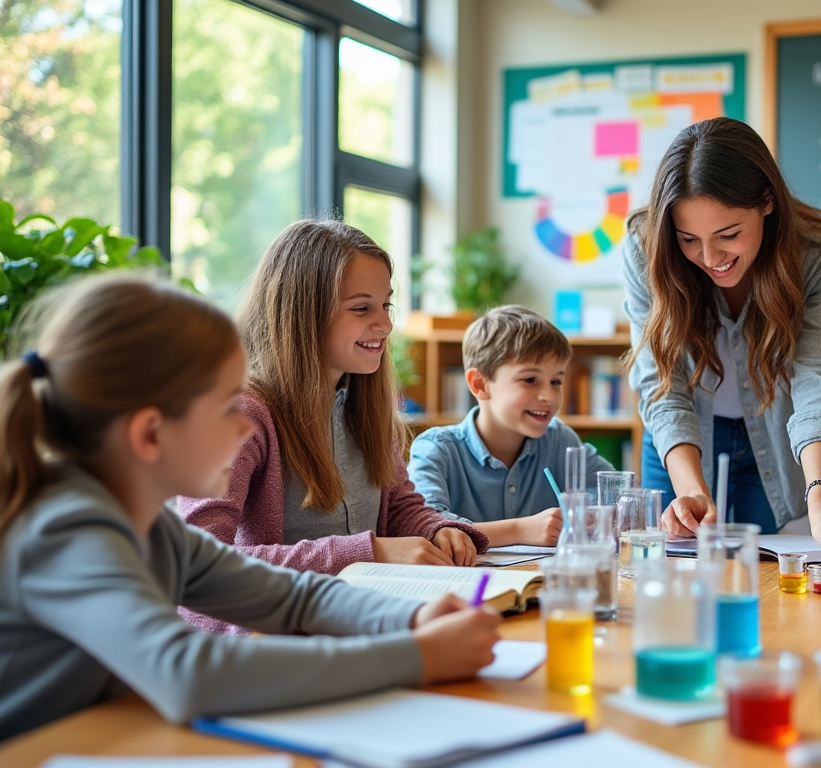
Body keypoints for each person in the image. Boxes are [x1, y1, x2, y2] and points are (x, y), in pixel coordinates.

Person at [0, 274, 501, 741]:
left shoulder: (153, 528)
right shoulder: (65, 530)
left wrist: (411, 619)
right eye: (225, 408)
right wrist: (417, 656)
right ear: (150, 433)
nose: (244, 427)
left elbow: (295, 599)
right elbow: (187, 674)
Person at [180, 220, 487, 633]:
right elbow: (196, 564)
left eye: (386, 305)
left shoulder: (362, 400)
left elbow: (398, 507)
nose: (386, 325)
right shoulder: (239, 415)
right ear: (303, 314)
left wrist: (435, 531)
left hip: (355, 625)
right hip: (261, 645)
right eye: (362, 308)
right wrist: (368, 552)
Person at [622, 116, 821, 564]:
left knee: (760, 578)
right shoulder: (646, 246)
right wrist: (691, 489)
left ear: (766, 202)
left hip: (783, 436)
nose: (710, 258)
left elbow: (816, 377)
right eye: (689, 239)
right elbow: (661, 384)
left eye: (728, 235)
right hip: (683, 436)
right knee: (672, 571)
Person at [408, 305, 613, 546]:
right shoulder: (436, 449)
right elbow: (426, 528)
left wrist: (589, 514)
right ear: (480, 385)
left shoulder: (560, 440)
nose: (548, 395)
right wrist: (520, 530)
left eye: (556, 381)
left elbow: (612, 495)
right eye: (530, 380)